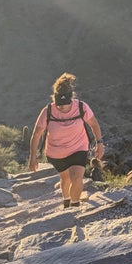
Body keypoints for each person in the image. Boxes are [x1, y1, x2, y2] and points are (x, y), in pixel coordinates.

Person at [28, 72, 105, 209]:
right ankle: (66, 201)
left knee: (77, 177)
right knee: (65, 178)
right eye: (59, 104)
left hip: (78, 148)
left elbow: (94, 124)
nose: (61, 107)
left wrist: (99, 144)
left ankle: (74, 208)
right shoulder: (48, 111)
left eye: (65, 104)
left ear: (71, 99)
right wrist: (33, 157)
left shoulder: (81, 107)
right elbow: (36, 134)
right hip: (56, 152)